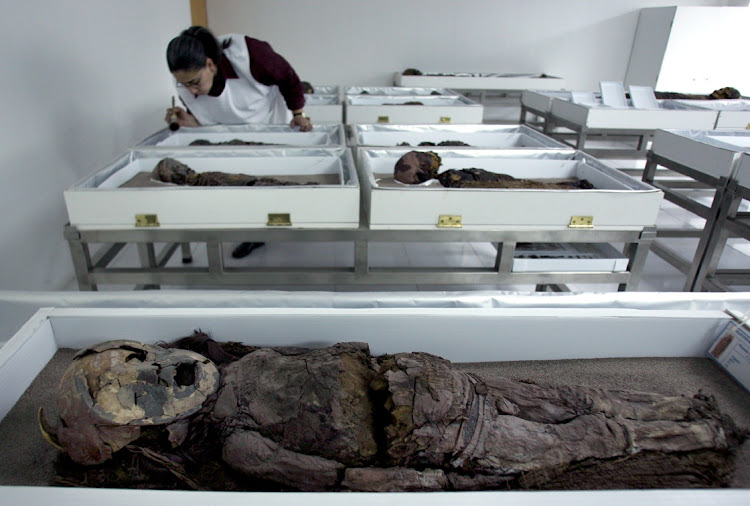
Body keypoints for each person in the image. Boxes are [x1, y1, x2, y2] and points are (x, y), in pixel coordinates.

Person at [164, 26, 313, 258]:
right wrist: (188, 122)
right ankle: (253, 233)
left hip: (269, 122)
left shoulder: (250, 55)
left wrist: (298, 114)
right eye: (185, 84)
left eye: (194, 82)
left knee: (272, 180)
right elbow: (212, 120)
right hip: (234, 137)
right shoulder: (185, 82)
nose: (190, 89)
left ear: (211, 65)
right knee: (244, 183)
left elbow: (289, 79)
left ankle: (281, 223)